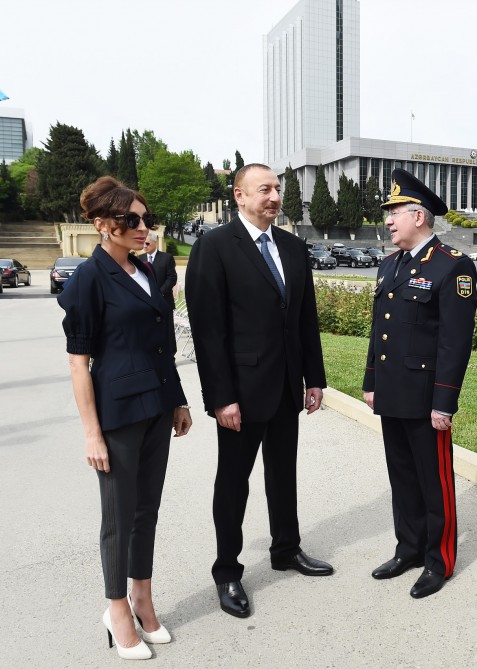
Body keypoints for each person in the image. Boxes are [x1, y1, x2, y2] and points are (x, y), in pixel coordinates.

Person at [185, 163, 331, 619]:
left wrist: (315, 377)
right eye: (264, 189)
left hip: (287, 387)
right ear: (239, 196)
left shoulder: (291, 246)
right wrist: (221, 397)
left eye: (277, 189)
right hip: (241, 395)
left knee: (282, 474)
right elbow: (208, 332)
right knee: (233, 484)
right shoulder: (214, 248)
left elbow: (305, 318)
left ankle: (286, 548)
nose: (274, 196)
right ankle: (227, 570)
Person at [59, 176, 192, 660]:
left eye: (144, 219)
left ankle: (142, 596)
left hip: (156, 408)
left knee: (146, 511)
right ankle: (116, 608)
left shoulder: (150, 272)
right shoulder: (88, 282)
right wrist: (91, 433)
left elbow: (164, 347)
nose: (141, 227)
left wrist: (177, 400)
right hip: (117, 416)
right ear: (101, 225)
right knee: (118, 518)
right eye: (129, 220)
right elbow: (79, 363)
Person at [363, 168, 477, 599]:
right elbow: (381, 330)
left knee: (434, 481)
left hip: (426, 397)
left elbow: (455, 342)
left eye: (395, 213)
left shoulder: (452, 266)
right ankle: (408, 548)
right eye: (388, 214)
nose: (388, 221)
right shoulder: (390, 264)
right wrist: (371, 380)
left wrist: (444, 403)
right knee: (403, 477)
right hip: (392, 393)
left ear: (420, 215)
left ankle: (438, 559)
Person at [141, 233, 177, 309]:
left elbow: (172, 278)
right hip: (145, 303)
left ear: (155, 242)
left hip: (164, 302)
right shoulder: (139, 259)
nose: (144, 246)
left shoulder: (167, 258)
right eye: (143, 243)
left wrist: (159, 293)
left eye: (147, 243)